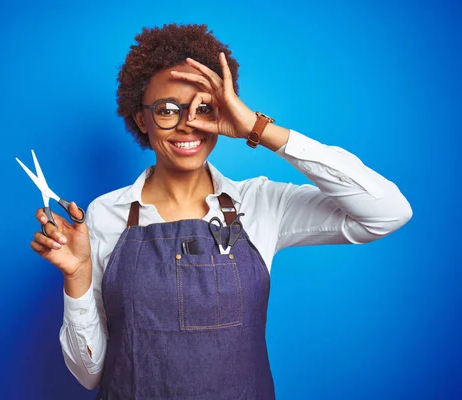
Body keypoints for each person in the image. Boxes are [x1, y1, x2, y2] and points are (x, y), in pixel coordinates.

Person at [29, 23, 412, 399]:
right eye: (166, 110)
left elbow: (387, 212)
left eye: (203, 108)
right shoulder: (103, 215)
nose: (187, 125)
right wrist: (77, 275)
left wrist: (257, 128)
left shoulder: (260, 203)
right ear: (140, 119)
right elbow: (90, 375)